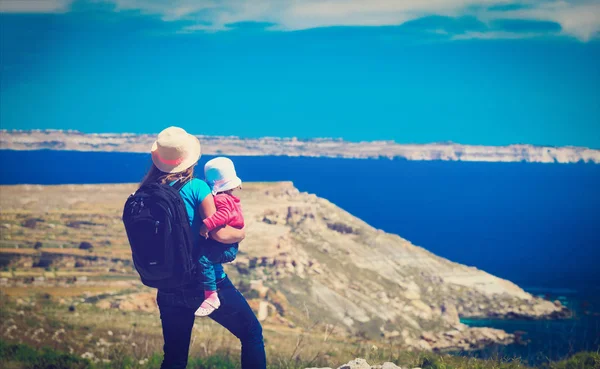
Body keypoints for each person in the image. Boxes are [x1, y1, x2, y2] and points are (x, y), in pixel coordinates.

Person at [141, 127, 266, 369]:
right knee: (251, 333)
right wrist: (241, 233)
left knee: (174, 358)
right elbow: (219, 234)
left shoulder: (146, 192)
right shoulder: (197, 188)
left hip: (167, 284)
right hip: (204, 283)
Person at [195, 157, 244, 317]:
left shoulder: (221, 199)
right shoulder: (229, 197)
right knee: (209, 256)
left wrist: (207, 224)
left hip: (227, 247)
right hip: (230, 244)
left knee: (204, 259)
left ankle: (211, 294)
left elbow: (223, 215)